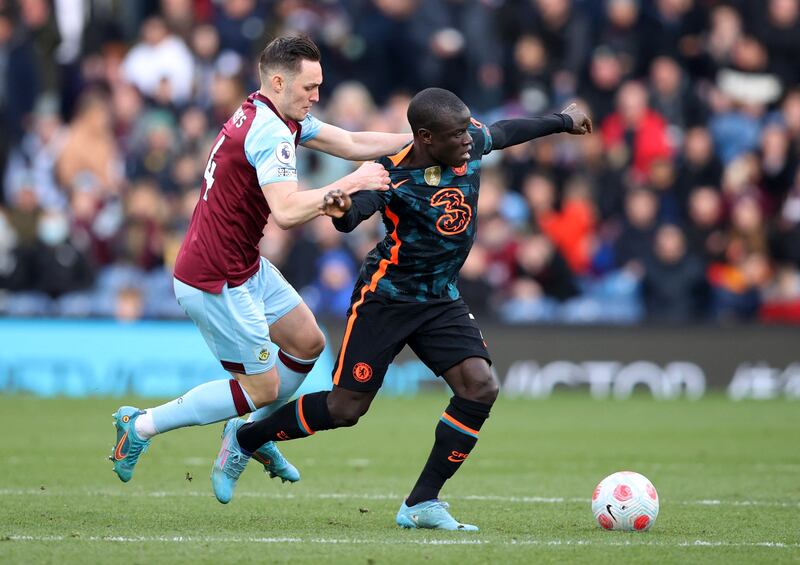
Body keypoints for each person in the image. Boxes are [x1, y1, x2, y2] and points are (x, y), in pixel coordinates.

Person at [213, 87, 591, 529]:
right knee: (345, 409)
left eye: (468, 131)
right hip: (386, 300)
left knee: (479, 387)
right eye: (457, 135)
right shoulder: (389, 175)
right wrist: (339, 208)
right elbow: (356, 211)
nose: (469, 141)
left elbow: (506, 131)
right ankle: (246, 436)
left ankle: (421, 502)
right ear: (426, 137)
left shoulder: (468, 142)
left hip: (440, 298)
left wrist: (562, 121)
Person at [109, 35, 411, 495]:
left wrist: (420, 141)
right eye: (310, 87)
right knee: (263, 388)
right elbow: (288, 213)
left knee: (308, 343)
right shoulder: (269, 131)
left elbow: (351, 140)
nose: (316, 95)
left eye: (319, 86)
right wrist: (356, 181)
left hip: (243, 264)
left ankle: (244, 433)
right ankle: (143, 426)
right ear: (277, 81)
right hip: (214, 278)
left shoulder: (270, 111)